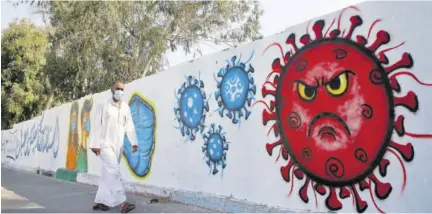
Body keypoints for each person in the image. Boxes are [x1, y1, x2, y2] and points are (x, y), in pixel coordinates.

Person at [88, 81, 138, 213]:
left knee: (107, 174)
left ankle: (98, 201)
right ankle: (123, 203)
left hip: (118, 146)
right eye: (118, 88)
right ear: (112, 89)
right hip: (105, 145)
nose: (120, 91)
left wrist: (134, 142)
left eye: (122, 89)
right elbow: (96, 125)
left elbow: (129, 126)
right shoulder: (103, 106)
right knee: (114, 171)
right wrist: (95, 144)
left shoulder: (126, 107)